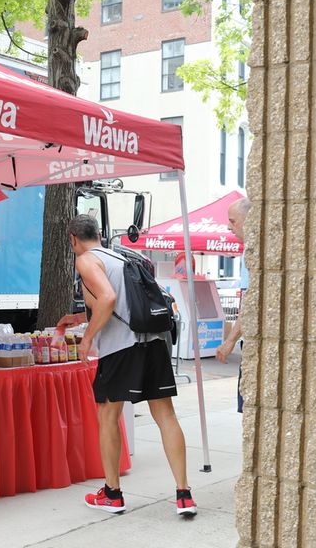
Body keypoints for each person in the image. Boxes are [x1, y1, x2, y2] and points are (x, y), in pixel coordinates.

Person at [58, 214, 197, 516]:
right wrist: (81, 318)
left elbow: (107, 300)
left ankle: (112, 494)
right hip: (154, 341)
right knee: (165, 416)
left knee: (108, 414)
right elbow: (123, 303)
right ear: (98, 233)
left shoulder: (86, 260)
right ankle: (184, 495)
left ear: (73, 239)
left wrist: (87, 339)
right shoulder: (121, 256)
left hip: (121, 347)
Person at [216, 197, 251, 412]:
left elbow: (248, 302)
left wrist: (229, 341)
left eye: (233, 221)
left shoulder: (251, 252)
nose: (229, 226)